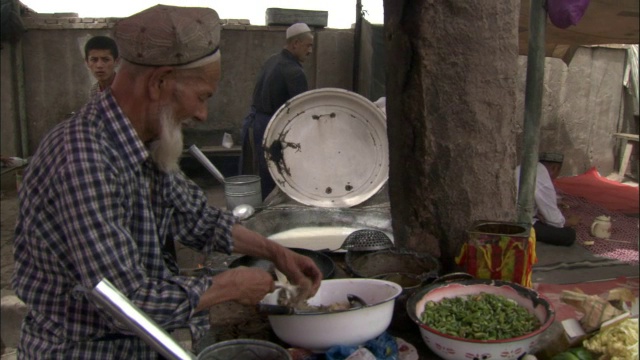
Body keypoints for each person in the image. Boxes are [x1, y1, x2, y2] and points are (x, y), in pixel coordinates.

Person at [11, 5, 322, 359]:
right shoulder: (84, 159)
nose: (202, 113)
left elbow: (199, 219)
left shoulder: (147, 142)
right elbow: (125, 303)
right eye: (202, 96)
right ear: (158, 82)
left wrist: (276, 252)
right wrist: (228, 285)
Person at [239, 22, 314, 200]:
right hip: (273, 129)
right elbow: (301, 113)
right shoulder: (294, 72)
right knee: (275, 179)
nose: (310, 51)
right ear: (295, 43)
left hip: (255, 124)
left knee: (258, 175)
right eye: (308, 45)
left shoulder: (272, 60)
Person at [515, 152, 577, 246]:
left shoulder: (526, 166)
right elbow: (554, 220)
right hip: (519, 222)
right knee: (569, 235)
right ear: (554, 168)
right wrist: (569, 221)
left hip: (515, 215)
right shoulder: (543, 178)